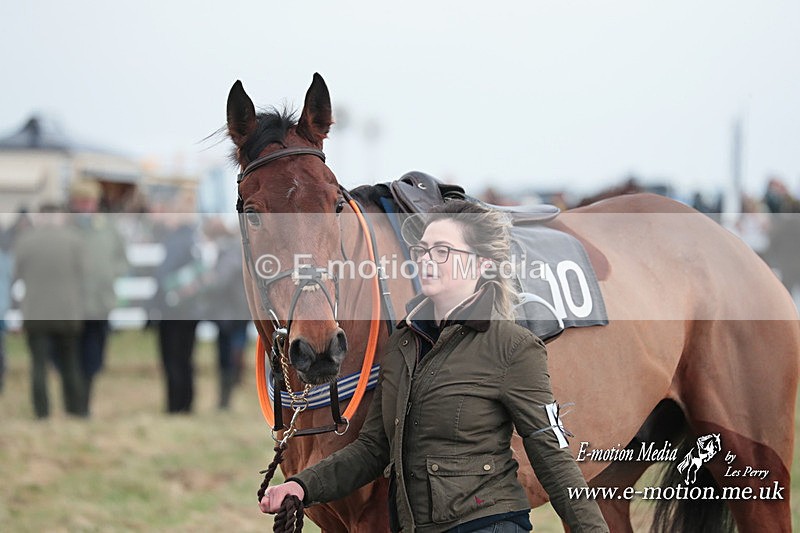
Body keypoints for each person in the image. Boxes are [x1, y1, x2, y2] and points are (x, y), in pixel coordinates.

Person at [260, 200, 608, 532]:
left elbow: (552, 454)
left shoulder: (513, 347)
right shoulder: (403, 342)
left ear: (481, 263)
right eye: (422, 250)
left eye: (442, 251)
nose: (426, 260)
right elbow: (373, 448)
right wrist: (302, 487)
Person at [14, 205, 87, 418]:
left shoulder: (26, 240)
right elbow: (83, 272)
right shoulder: (75, 240)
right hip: (67, 312)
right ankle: (75, 408)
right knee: (70, 361)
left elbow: (17, 272)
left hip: (36, 312)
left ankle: (42, 411)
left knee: (38, 363)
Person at [69, 181, 129, 414]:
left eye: (89, 202)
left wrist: (107, 274)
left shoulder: (108, 228)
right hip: (72, 305)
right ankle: (74, 404)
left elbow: (122, 260)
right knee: (71, 355)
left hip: (99, 304)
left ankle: (84, 404)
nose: (86, 207)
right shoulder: (67, 228)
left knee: (93, 357)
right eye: (81, 202)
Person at [148, 207, 202, 414]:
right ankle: (184, 403)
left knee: (173, 359)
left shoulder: (176, 242)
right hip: (189, 312)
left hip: (174, 312)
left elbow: (163, 279)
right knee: (185, 359)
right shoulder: (191, 240)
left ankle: (176, 405)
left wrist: (153, 307)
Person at [202, 216, 250, 410]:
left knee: (228, 354)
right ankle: (227, 395)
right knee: (234, 350)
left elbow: (221, 279)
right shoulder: (238, 247)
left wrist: (206, 282)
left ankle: (225, 399)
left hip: (230, 313)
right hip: (238, 311)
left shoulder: (230, 249)